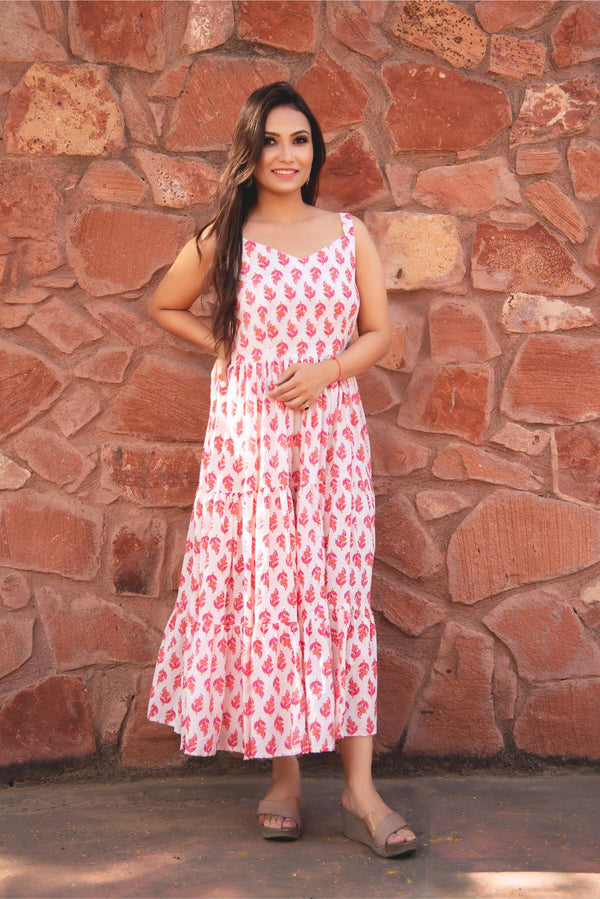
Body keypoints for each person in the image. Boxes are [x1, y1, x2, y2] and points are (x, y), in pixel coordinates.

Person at [147, 82, 417, 859]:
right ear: (250, 152)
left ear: (314, 150)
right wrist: (227, 351)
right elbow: (166, 305)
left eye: (299, 140)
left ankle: (361, 791)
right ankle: (285, 778)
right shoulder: (222, 239)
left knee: (335, 596)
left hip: (331, 443)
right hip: (252, 447)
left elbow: (379, 334)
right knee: (272, 598)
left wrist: (328, 369)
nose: (287, 155)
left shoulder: (346, 233)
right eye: (271, 141)